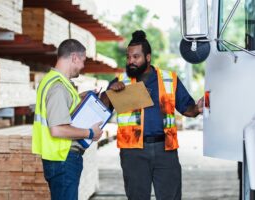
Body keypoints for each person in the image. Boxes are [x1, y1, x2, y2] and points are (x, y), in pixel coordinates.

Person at [102, 30, 203, 200]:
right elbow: (101, 107)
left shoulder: (169, 79)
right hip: (133, 152)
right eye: (128, 57)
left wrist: (198, 109)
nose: (130, 61)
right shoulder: (121, 80)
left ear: (148, 58)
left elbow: (187, 109)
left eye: (136, 57)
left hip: (166, 150)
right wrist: (109, 92)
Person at [32, 39, 103, 200]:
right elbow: (57, 129)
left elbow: (61, 109)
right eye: (83, 61)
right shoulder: (59, 87)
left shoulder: (52, 81)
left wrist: (80, 97)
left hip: (57, 158)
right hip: (63, 158)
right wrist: (90, 132)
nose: (83, 66)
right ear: (74, 57)